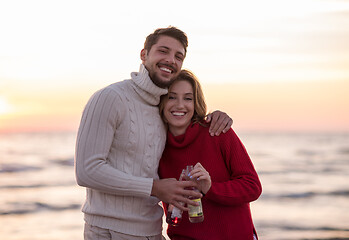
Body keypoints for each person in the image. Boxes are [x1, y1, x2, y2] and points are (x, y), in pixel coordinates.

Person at [75, 26, 233, 240]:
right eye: (163, 51)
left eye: (178, 56)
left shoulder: (163, 107)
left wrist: (216, 116)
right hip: (108, 231)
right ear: (144, 54)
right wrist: (155, 187)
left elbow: (187, 121)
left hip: (152, 230)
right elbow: (87, 170)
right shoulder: (110, 97)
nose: (171, 60)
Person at [158, 70, 262, 240]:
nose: (179, 105)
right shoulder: (156, 145)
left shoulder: (217, 131)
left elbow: (253, 187)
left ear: (196, 103)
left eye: (188, 98)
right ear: (161, 100)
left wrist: (209, 188)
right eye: (171, 97)